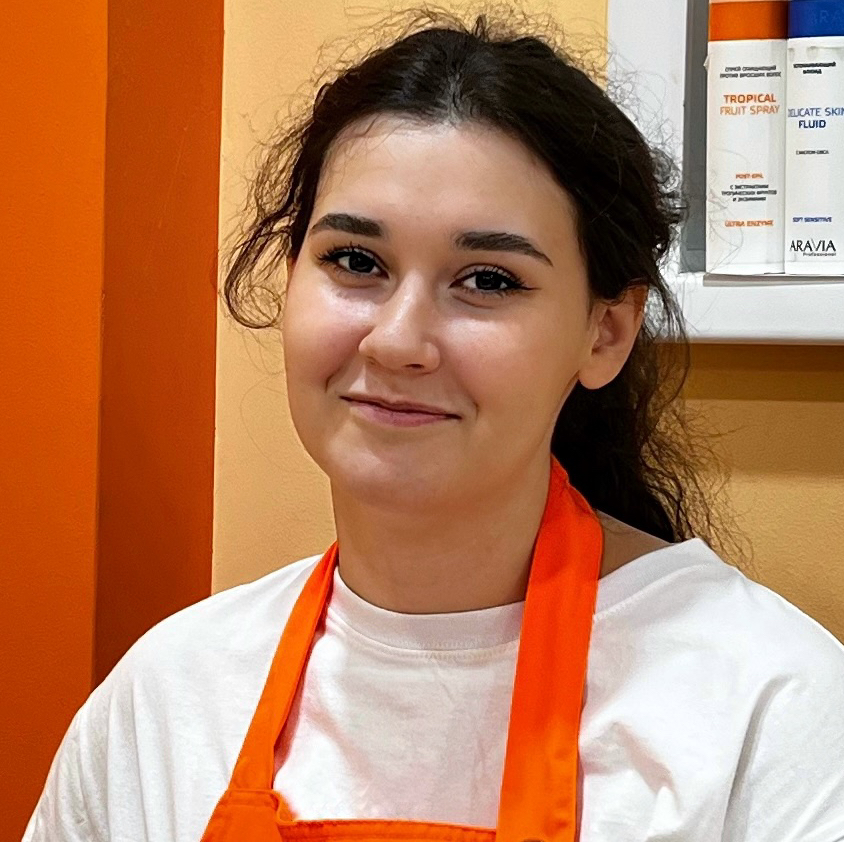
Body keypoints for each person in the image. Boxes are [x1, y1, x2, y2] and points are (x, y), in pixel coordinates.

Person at [24, 10, 844, 842]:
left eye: (487, 279)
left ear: (606, 333)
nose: (397, 341)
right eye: (355, 262)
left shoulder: (766, 709)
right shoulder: (168, 699)